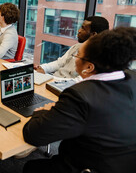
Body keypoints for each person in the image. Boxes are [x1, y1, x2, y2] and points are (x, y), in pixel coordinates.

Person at [23, 27, 136, 173]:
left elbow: (33, 135)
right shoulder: (131, 79)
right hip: (123, 163)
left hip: (87, 166)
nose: (75, 57)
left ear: (89, 67)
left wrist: (43, 112)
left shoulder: (80, 96)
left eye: (78, 55)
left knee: (31, 167)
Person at [34, 16, 109, 78]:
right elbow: (59, 63)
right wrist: (42, 68)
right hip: (53, 80)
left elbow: (76, 83)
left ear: (93, 35)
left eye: (83, 28)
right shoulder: (77, 46)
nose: (79, 31)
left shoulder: (98, 60)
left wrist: (46, 77)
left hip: (62, 86)